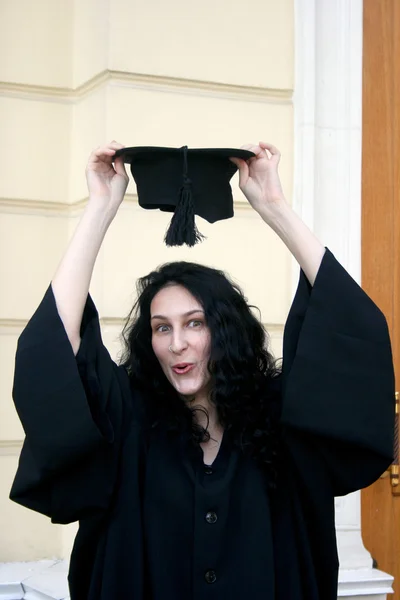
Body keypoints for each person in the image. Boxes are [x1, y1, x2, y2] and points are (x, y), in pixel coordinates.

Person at [10, 141, 395, 600]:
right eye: (161, 327)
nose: (177, 343)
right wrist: (99, 209)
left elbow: (353, 326)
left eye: (195, 323)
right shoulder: (128, 420)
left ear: (225, 330)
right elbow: (53, 347)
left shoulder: (280, 421)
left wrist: (275, 207)